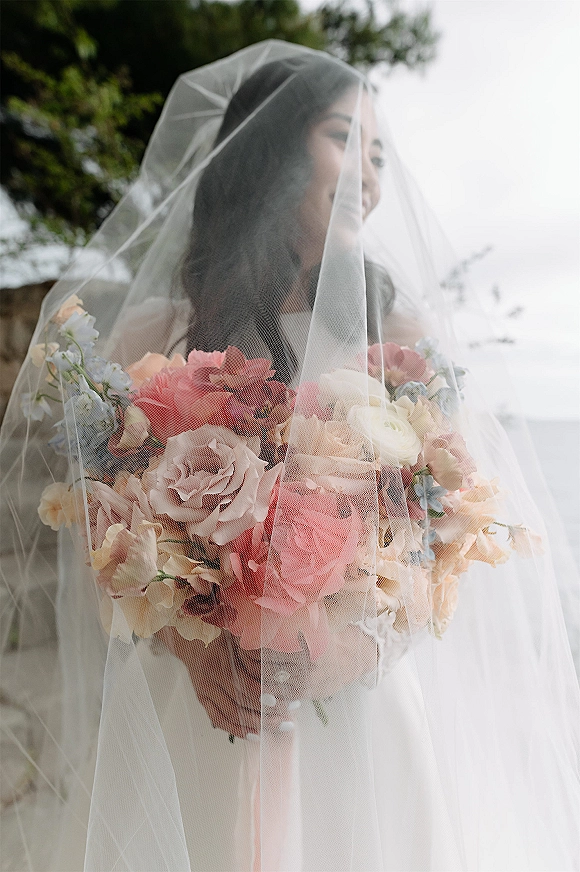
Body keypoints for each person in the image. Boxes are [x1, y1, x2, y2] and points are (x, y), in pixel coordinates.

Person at [0, 40, 578, 872]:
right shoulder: (156, 334)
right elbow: (107, 529)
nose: (371, 175)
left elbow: (439, 541)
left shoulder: (401, 346)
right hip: (202, 707)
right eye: (346, 139)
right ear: (270, 152)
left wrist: (345, 654)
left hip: (356, 716)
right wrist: (188, 647)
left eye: (381, 153)